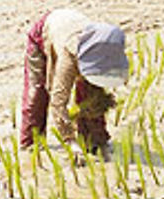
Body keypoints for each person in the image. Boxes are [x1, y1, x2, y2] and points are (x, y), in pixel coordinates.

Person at [19, 9, 129, 154]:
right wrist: (69, 140)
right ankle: (31, 144)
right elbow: (58, 101)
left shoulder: (106, 50)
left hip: (75, 29)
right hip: (45, 32)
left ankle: (94, 139)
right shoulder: (69, 59)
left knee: (91, 96)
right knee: (38, 92)